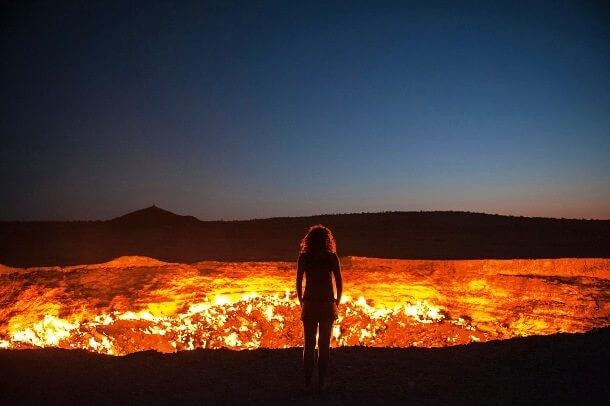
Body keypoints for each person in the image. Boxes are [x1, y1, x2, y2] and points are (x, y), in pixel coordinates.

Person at [295, 224, 343, 391]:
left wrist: (302, 301)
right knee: (324, 345)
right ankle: (321, 383)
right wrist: (336, 302)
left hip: (310, 304)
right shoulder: (331, 257)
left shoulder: (304, 257)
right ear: (326, 240)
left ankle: (307, 383)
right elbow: (339, 281)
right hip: (327, 304)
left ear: (309, 240)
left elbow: (298, 282)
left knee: (308, 345)